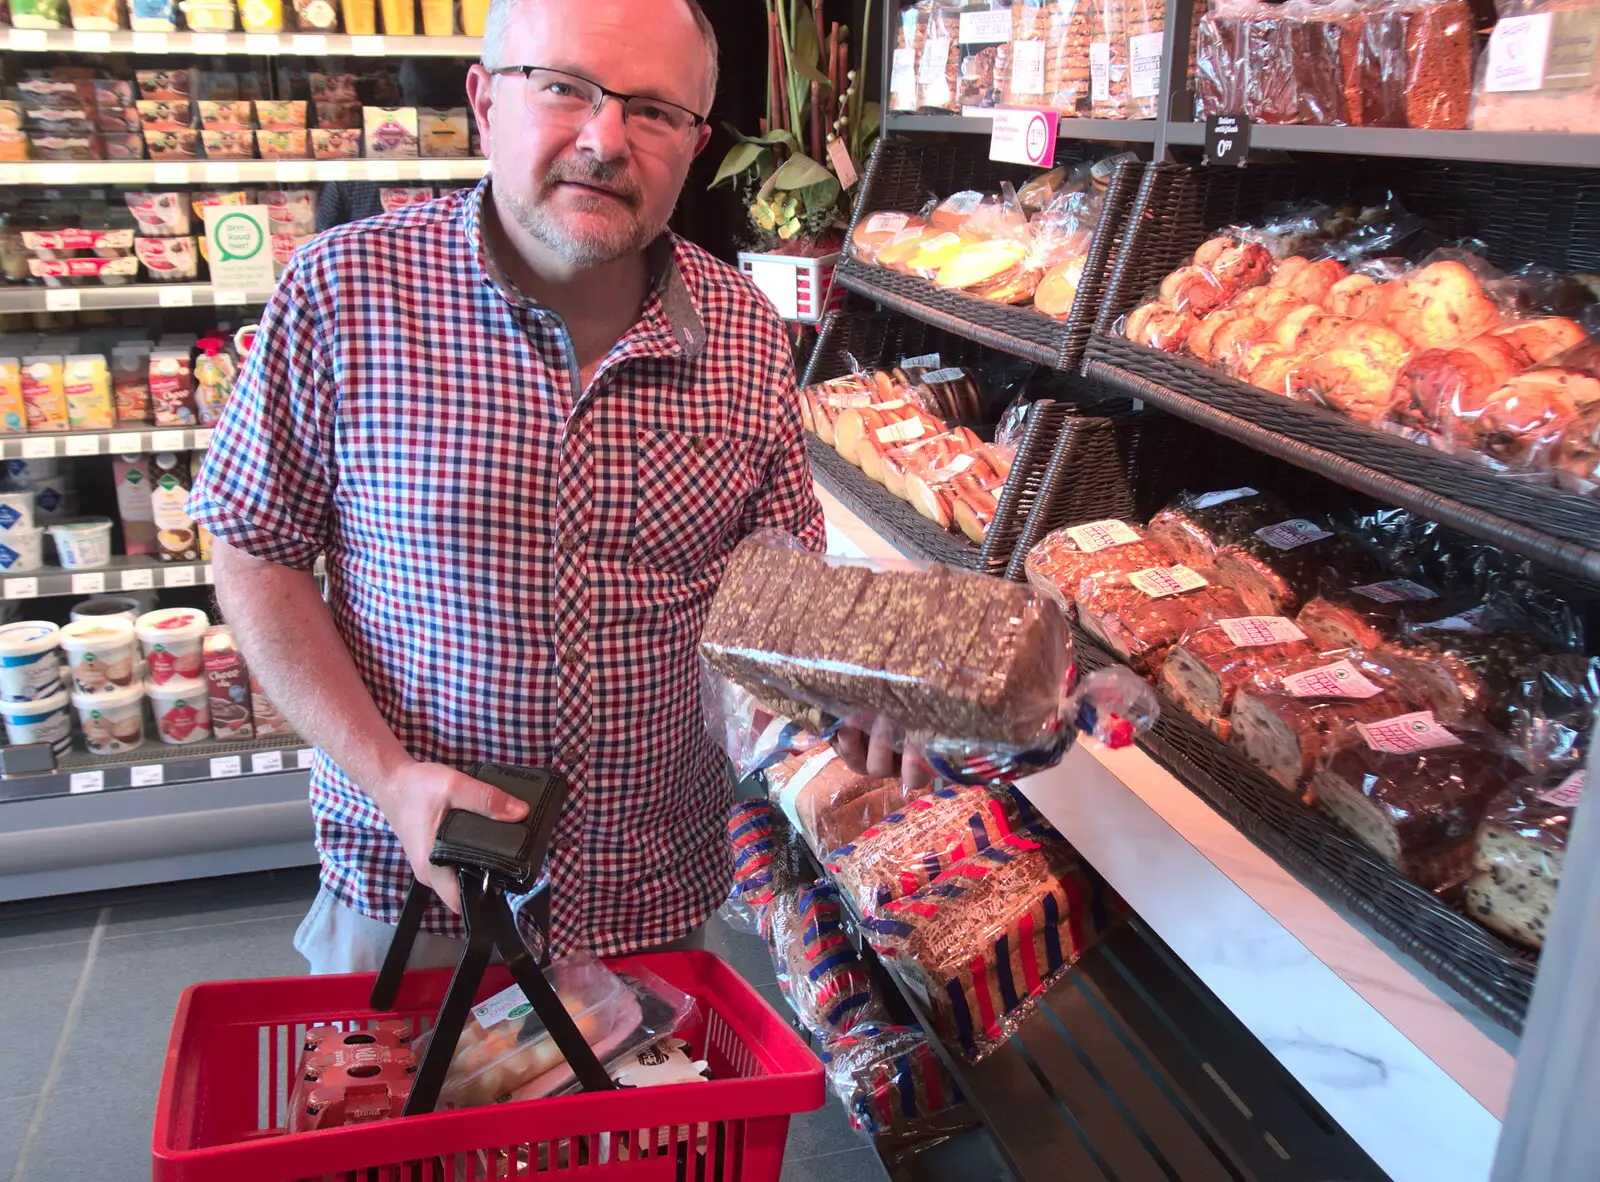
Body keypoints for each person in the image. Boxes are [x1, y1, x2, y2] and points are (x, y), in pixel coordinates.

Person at [189, 0, 829, 974]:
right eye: (566, 88)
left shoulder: (742, 328)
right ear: (485, 103)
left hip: (646, 897)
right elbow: (252, 549)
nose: (604, 139)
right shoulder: (344, 294)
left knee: (644, 1138)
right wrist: (390, 777)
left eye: (653, 111)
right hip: (413, 889)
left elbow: (784, 591)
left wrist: (862, 719)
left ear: (695, 145)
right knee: (407, 1129)